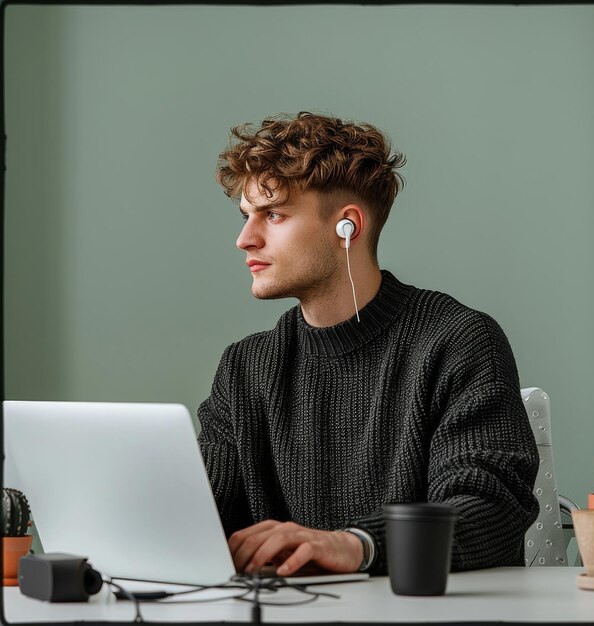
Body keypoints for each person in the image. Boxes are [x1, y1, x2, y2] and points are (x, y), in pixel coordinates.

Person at [197, 111, 539, 577]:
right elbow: (202, 517)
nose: (244, 239)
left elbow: (489, 508)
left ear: (348, 227)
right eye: (246, 216)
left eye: (273, 215)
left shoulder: (458, 340)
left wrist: (356, 545)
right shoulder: (245, 367)